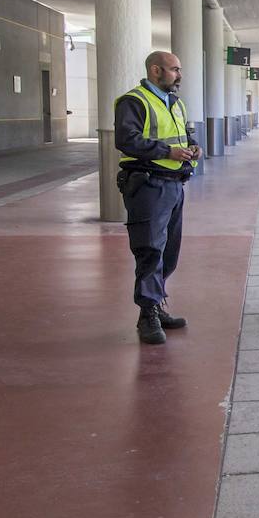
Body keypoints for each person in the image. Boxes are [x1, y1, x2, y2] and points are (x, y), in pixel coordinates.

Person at [114, 51, 200, 345]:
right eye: (175, 70)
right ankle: (147, 315)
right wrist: (167, 153)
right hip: (148, 186)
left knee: (169, 252)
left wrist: (194, 148)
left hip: (174, 184)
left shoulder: (176, 103)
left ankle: (156, 302)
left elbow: (185, 137)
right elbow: (127, 139)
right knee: (150, 249)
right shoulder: (133, 101)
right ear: (156, 70)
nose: (180, 75)